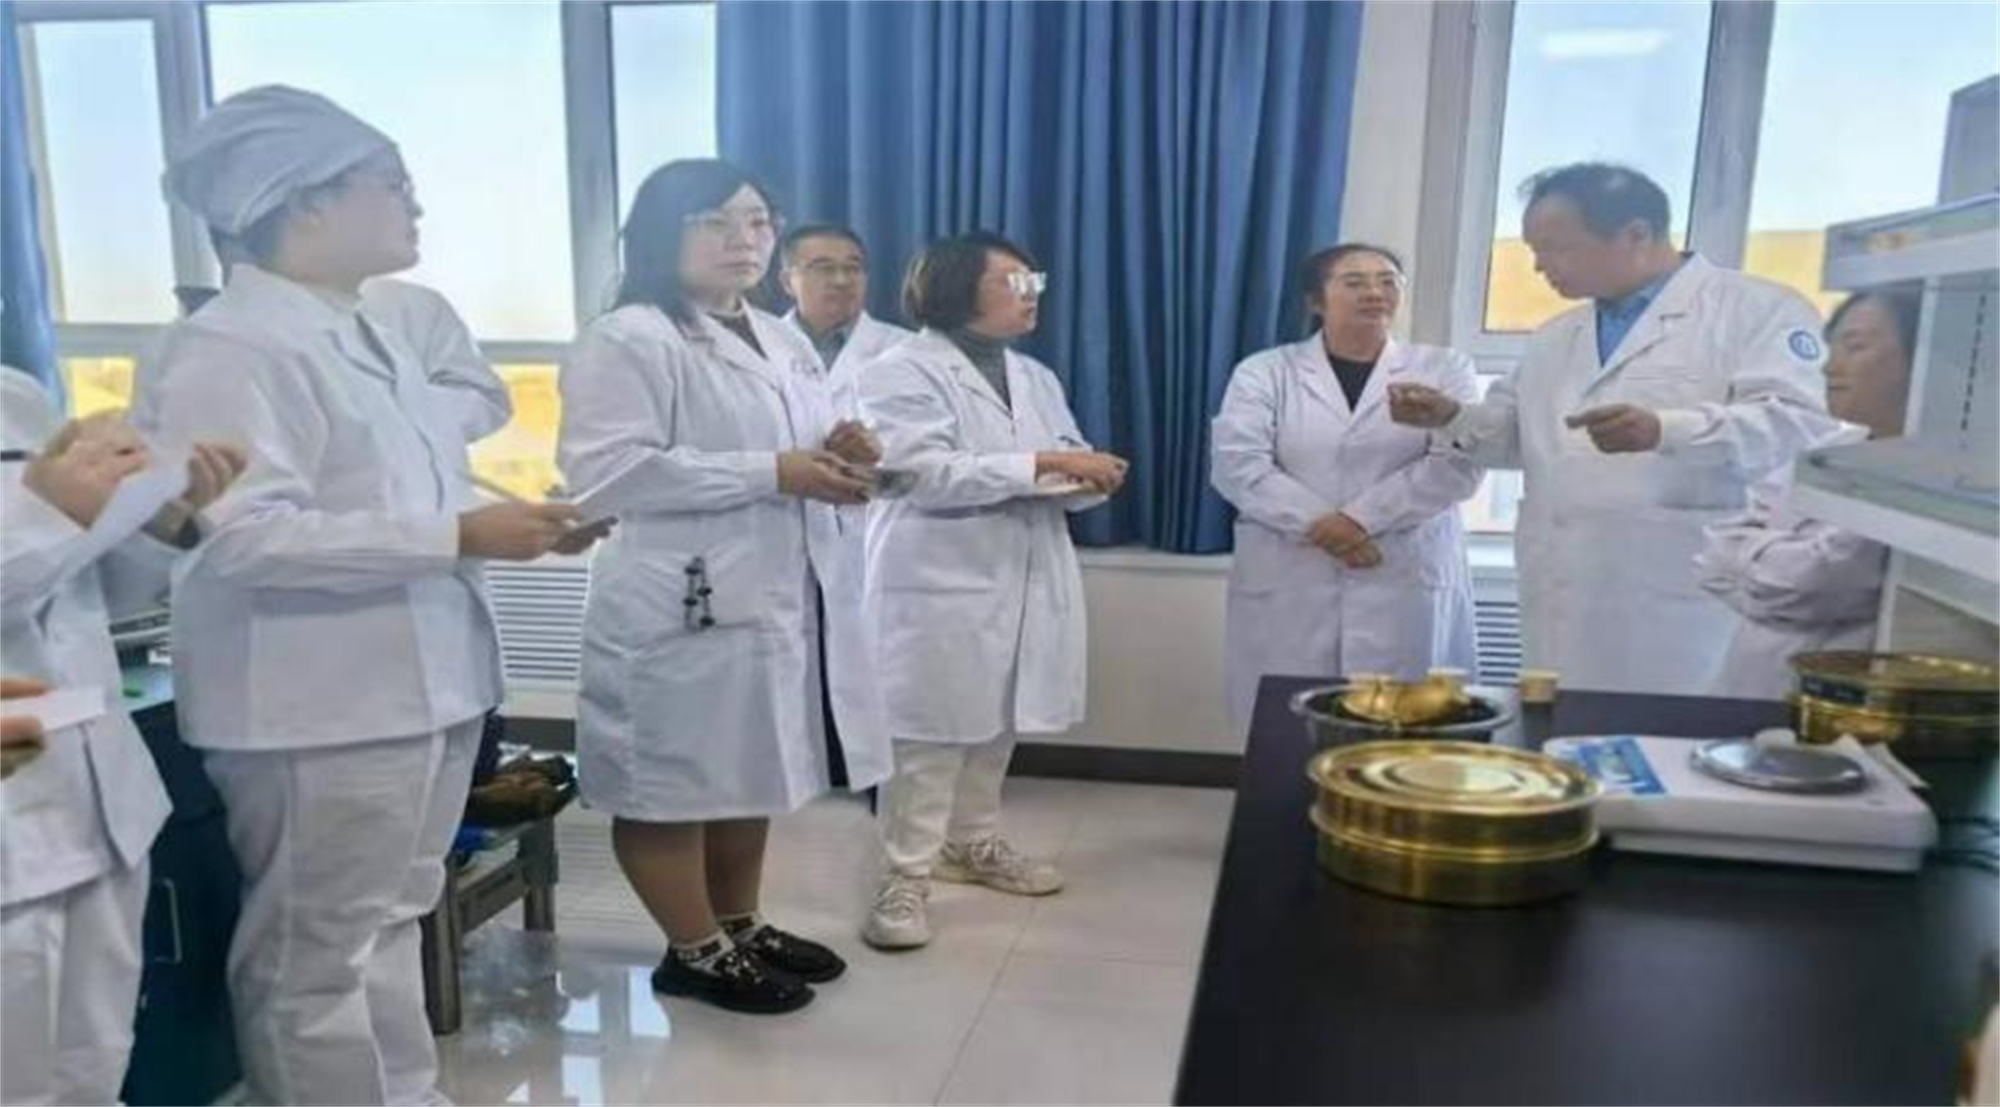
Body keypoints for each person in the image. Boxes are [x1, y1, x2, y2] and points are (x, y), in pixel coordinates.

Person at [134, 85, 600, 1105]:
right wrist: (458, 536)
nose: (413, 203)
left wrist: (513, 520)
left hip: (420, 686)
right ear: (303, 201)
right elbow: (244, 538)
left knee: (390, 921)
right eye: (389, 184)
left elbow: (408, 494)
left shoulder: (368, 334)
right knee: (313, 959)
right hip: (314, 704)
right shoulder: (229, 348)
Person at [558, 158, 892, 1015]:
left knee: (749, 763)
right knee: (668, 781)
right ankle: (693, 949)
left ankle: (739, 922)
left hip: (768, 590)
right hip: (676, 599)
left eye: (758, 221)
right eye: (714, 221)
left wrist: (842, 446)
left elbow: (794, 441)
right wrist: (773, 470)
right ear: (660, 231)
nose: (744, 239)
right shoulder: (630, 337)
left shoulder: (778, 336)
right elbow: (606, 473)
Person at [1388, 163, 1837, 695]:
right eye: (1534, 251)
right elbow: (1519, 440)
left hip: (1684, 601)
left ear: (1636, 235)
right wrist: (1451, 416)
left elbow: (1797, 424)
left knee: (1672, 736)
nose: (1540, 267)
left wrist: (1666, 430)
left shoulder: (1756, 310)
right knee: (1560, 731)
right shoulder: (1557, 336)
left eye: (1556, 248)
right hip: (1563, 591)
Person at [858, 232, 1127, 951]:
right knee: (928, 735)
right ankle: (903, 877)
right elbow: (922, 474)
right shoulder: (897, 372)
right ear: (956, 288)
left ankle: (971, 842)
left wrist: (1089, 475)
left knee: (996, 719)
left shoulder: (1032, 374)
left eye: (1033, 279)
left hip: (1024, 567)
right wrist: (1042, 465)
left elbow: (1063, 453)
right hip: (935, 576)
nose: (1031, 293)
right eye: (1013, 280)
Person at [1, 370, 244, 1106]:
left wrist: (163, 524)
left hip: (98, 805)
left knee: (91, 1072)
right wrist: (47, 515)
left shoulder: (16, 396)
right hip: (14, 829)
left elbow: (83, 589)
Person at [1211, 243, 1481, 728]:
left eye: (1388, 280)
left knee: (1405, 729)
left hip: (1402, 571)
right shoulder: (1265, 372)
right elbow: (1238, 464)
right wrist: (1323, 525)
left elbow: (1456, 465)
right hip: (1294, 571)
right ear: (1316, 301)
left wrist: (1357, 521)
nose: (1375, 292)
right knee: (1288, 727)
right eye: (1354, 282)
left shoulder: (1444, 368)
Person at [1696, 288, 1921, 698]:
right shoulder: (1828, 450)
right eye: (1831, 348)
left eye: (1855, 347)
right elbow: (1713, 553)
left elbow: (1815, 583)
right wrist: (1763, 563)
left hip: (1832, 701)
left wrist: (1746, 560)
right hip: (1749, 691)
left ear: (1924, 357)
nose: (1831, 367)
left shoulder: (1915, 476)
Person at [777, 222, 914, 397]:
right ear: (787, 282)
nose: (841, 281)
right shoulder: (761, 346)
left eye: (852, 268)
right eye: (824, 268)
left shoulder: (905, 349)